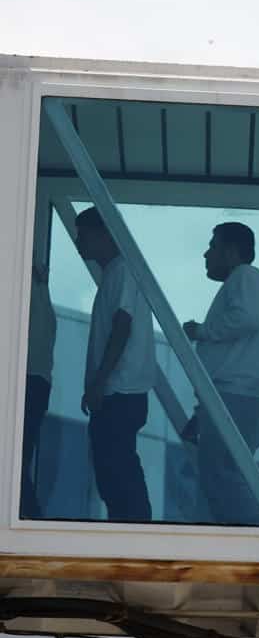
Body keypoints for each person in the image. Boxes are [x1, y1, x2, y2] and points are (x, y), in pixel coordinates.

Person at [181, 222, 259, 524]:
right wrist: (201, 414)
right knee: (218, 476)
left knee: (221, 474)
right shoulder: (245, 281)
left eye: (213, 246)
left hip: (238, 395)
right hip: (235, 396)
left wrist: (202, 331)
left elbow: (246, 318)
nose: (206, 254)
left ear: (231, 251)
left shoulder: (245, 276)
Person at [74, 206, 155, 521]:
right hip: (118, 391)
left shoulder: (122, 270)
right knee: (114, 472)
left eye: (83, 236)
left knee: (117, 472)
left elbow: (122, 326)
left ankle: (134, 535)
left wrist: (99, 382)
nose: (80, 243)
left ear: (102, 234)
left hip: (120, 391)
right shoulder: (115, 273)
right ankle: (130, 532)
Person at [21, 261, 53, 519]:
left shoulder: (24, 287)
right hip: (37, 380)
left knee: (13, 468)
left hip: (29, 379)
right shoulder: (39, 290)